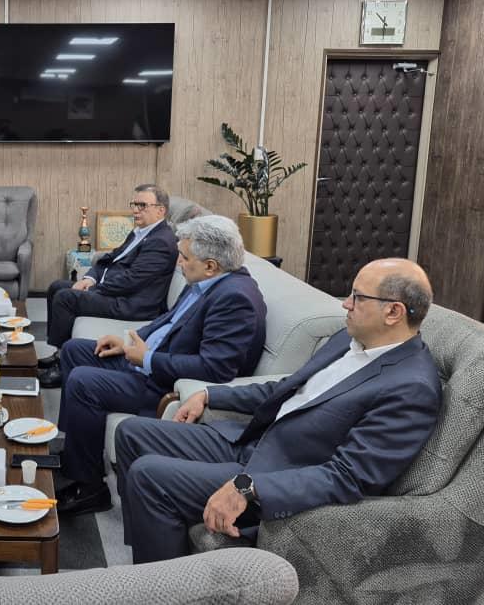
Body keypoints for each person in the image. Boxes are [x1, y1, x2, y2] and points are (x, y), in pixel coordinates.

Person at [114, 258, 441, 564]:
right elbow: (286, 388)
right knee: (131, 432)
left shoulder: (411, 387)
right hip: (253, 442)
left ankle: (167, 585)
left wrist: (248, 486)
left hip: (274, 475)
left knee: (149, 476)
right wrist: (210, 394)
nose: (345, 304)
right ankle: (147, 546)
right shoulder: (348, 338)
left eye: (357, 297)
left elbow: (347, 477)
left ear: (393, 312)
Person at [56, 215, 266, 516]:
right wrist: (128, 342)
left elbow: (215, 369)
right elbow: (168, 322)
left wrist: (147, 359)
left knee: (83, 382)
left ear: (210, 265)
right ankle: (74, 453)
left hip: (162, 383)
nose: (178, 263)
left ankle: (90, 487)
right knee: (74, 350)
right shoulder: (206, 281)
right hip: (150, 360)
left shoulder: (235, 299)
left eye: (185, 257)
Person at [40, 183, 179, 388]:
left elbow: (132, 280)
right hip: (116, 292)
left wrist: (93, 289)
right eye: (134, 204)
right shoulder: (140, 232)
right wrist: (89, 279)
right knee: (57, 287)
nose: (135, 210)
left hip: (132, 304)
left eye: (142, 205)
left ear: (161, 210)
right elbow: (110, 258)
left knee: (66, 298)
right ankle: (59, 352)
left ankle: (62, 366)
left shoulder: (161, 242)